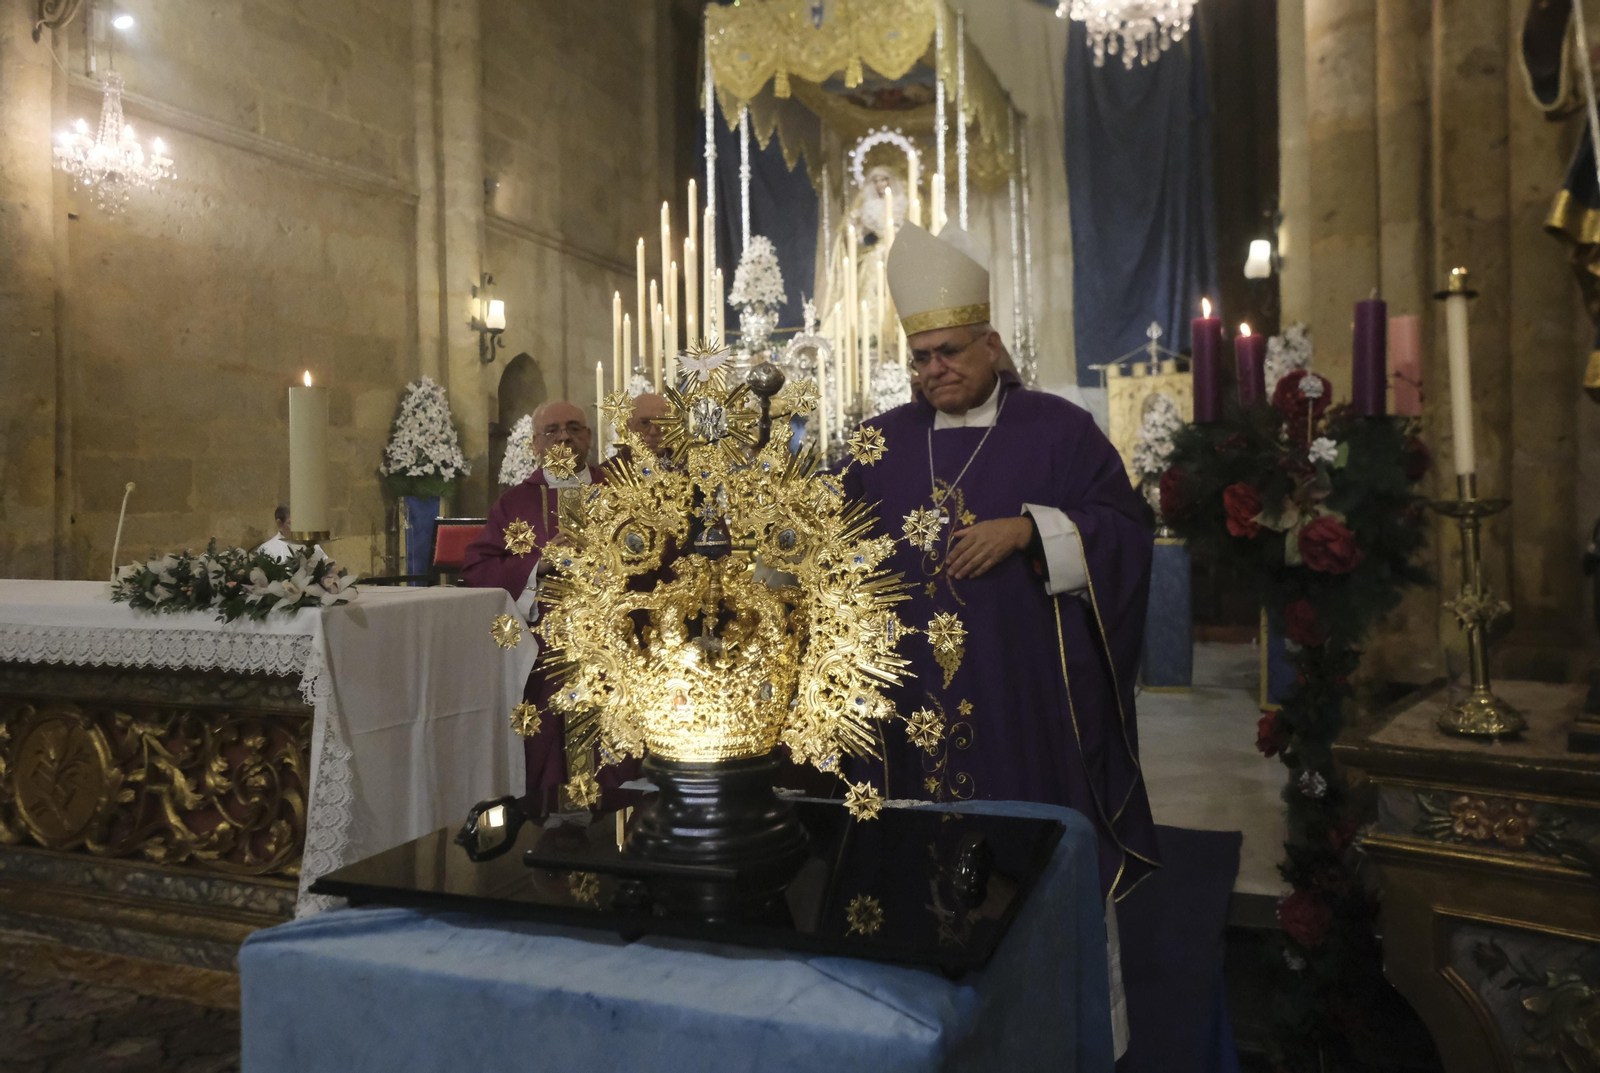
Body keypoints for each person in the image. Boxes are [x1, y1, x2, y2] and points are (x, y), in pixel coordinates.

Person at [845, 222, 1159, 904]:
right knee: (918, 874)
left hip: (1026, 692)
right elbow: (820, 538)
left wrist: (1028, 529)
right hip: (911, 695)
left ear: (991, 345)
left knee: (1024, 870)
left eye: (949, 351)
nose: (934, 370)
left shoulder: (1057, 428)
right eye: (921, 357)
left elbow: (1127, 531)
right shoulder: (878, 443)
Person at [462, 400, 635, 813]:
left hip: (615, 638)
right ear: (535, 444)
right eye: (552, 430)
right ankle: (552, 811)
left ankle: (622, 814)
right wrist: (540, 563)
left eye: (574, 428)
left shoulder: (621, 493)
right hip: (547, 645)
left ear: (589, 437)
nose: (564, 437)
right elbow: (478, 566)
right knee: (548, 738)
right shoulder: (515, 504)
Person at [256, 505, 326, 562]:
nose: (300, 527)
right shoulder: (267, 550)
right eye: (294, 523)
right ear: (279, 524)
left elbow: (327, 566)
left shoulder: (312, 545)